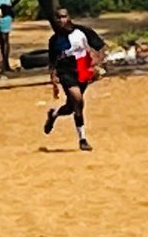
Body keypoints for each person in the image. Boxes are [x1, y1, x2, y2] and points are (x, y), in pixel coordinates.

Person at [44, 8, 106, 151]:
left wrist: (98, 64)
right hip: (65, 71)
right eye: (58, 18)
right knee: (78, 99)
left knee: (71, 107)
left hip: (82, 69)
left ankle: (54, 114)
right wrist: (53, 79)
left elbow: (100, 46)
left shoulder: (82, 31)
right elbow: (52, 62)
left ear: (69, 17)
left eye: (63, 17)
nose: (61, 20)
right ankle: (82, 139)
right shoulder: (54, 40)